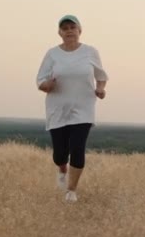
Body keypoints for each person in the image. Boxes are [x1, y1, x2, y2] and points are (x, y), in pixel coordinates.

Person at [36, 15, 108, 202]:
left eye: (72, 27)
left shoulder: (90, 52)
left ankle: (71, 191)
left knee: (77, 148)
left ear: (79, 31)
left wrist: (100, 88)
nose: (69, 31)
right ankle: (62, 169)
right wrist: (47, 85)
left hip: (83, 108)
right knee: (60, 154)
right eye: (65, 28)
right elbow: (40, 81)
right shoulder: (52, 54)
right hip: (58, 109)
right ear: (60, 33)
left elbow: (101, 75)